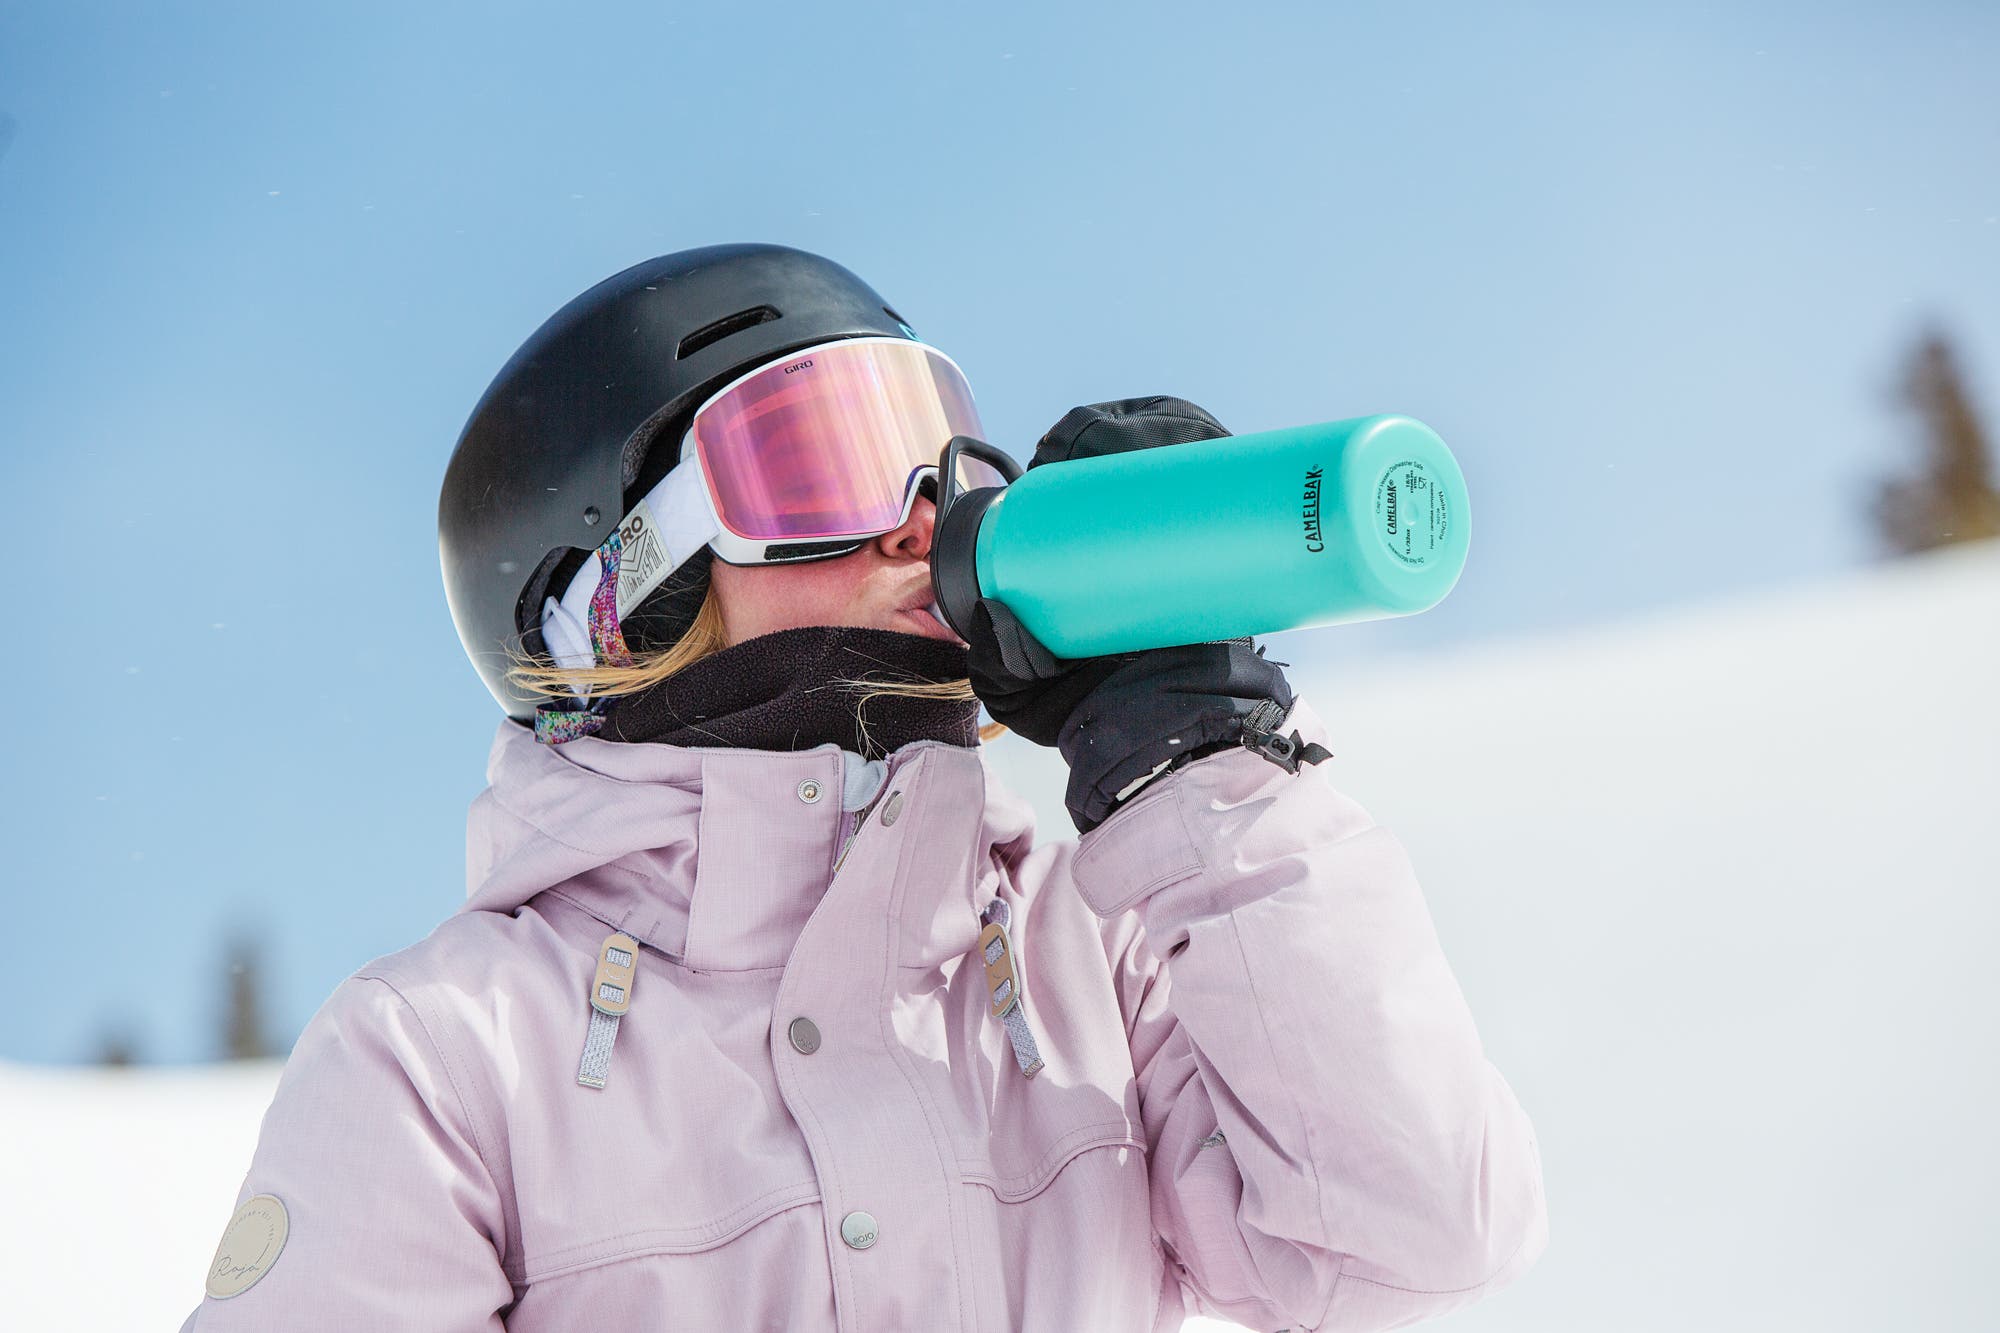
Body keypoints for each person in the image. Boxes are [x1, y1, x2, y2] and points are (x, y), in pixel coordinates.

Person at [180, 243, 1547, 1331]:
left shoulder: (1091, 946)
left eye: (930, 447)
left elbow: (1407, 1235)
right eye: (815, 461)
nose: (920, 517)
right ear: (622, 597)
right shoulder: (449, 1055)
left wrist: (1203, 769)